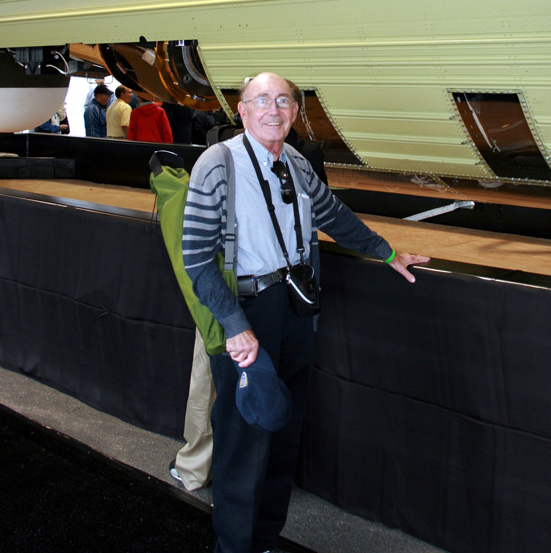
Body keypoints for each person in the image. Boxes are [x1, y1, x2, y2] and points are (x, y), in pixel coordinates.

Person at [180, 72, 429, 553]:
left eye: (283, 101)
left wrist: (385, 252)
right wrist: (235, 327)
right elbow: (195, 257)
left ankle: (265, 540)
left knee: (282, 434)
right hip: (246, 313)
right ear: (243, 111)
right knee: (244, 441)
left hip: (294, 310)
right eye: (261, 100)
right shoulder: (218, 164)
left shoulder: (294, 160)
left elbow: (332, 214)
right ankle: (234, 546)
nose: (273, 109)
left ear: (295, 112)